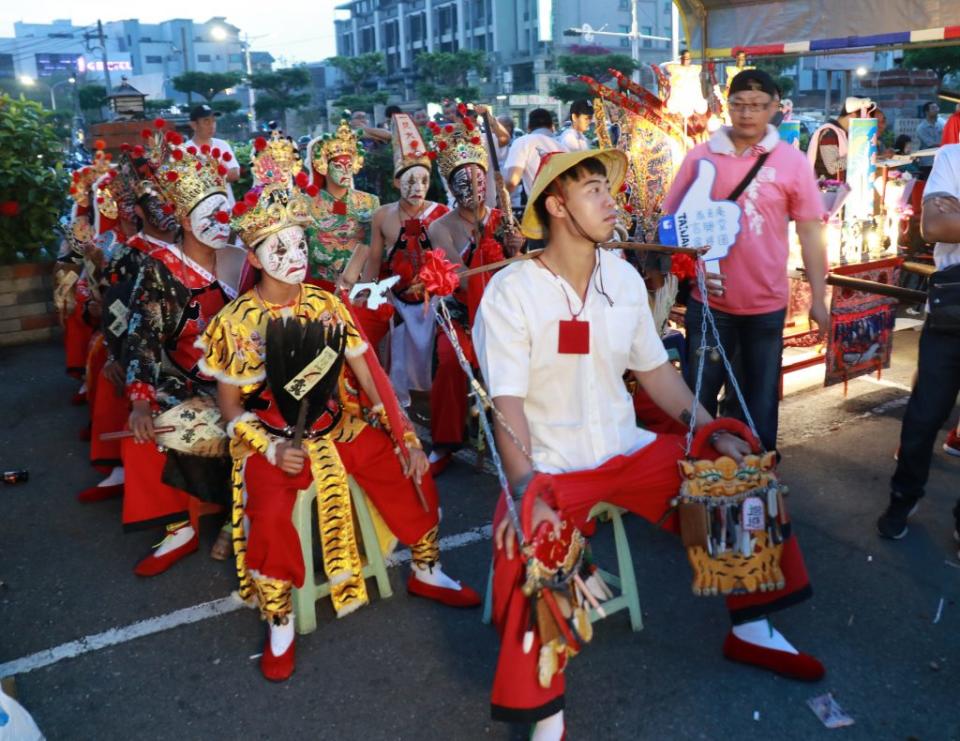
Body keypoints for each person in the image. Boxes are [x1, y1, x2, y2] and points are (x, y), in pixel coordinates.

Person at [474, 149, 824, 739]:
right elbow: (506, 405)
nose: (611, 200)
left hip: (625, 448)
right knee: (530, 542)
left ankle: (751, 628)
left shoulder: (623, 277)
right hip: (554, 465)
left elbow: (658, 375)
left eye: (609, 188)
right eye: (593, 190)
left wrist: (709, 430)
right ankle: (546, 715)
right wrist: (526, 485)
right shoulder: (511, 292)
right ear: (557, 207)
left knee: (738, 474)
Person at [197, 135, 480, 680]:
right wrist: (272, 446)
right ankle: (279, 616)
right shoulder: (233, 324)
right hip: (273, 438)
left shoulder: (327, 303)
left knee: (406, 467)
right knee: (273, 509)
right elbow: (230, 409)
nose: (295, 258)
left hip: (337, 424)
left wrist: (406, 436)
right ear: (254, 257)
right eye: (280, 250)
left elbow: (370, 374)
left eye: (299, 246)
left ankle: (428, 567)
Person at [663, 69, 829, 454]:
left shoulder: (791, 162)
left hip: (767, 305)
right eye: (739, 104)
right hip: (710, 306)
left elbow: (809, 232)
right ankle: (697, 479)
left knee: (761, 400)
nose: (747, 113)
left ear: (775, 108)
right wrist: (694, 267)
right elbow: (671, 227)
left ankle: (758, 480)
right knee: (699, 395)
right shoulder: (700, 158)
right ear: (728, 106)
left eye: (757, 105)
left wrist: (819, 298)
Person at [120, 142, 244, 577]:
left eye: (224, 209)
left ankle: (241, 513)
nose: (223, 221)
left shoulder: (246, 260)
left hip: (245, 378)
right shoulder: (158, 267)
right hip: (185, 379)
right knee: (145, 429)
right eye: (211, 213)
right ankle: (179, 527)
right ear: (186, 221)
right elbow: (142, 336)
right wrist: (140, 398)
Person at [425, 117, 523, 476]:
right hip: (461, 318)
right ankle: (445, 442)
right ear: (452, 186)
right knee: (451, 363)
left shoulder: (504, 218)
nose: (474, 186)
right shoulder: (440, 227)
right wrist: (485, 248)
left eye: (479, 178)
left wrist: (514, 250)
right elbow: (460, 279)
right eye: (464, 181)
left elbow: (518, 274)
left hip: (504, 314)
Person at [877, 143, 960, 550]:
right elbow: (936, 226)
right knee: (924, 414)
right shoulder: (953, 157)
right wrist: (949, 217)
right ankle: (902, 497)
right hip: (952, 311)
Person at [359, 113, 449, 404]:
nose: (417, 188)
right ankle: (398, 404)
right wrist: (368, 294)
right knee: (397, 355)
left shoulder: (441, 214)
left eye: (423, 180)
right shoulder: (383, 215)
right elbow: (374, 259)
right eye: (410, 181)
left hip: (433, 300)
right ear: (396, 183)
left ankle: (433, 399)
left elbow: (449, 261)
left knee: (434, 356)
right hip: (396, 297)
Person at [504, 108, 564, 202]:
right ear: (552, 127)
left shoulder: (523, 142)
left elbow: (512, 181)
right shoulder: (563, 146)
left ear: (528, 127)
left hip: (540, 208)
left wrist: (498, 199)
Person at [185, 104, 241, 206]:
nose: (212, 125)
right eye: (206, 121)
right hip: (200, 212)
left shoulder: (222, 145)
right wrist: (220, 172)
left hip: (227, 208)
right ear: (194, 125)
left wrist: (204, 177)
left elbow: (235, 174)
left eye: (213, 121)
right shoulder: (184, 150)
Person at [915, 102, 944, 177]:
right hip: (928, 163)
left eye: (937, 108)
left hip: (941, 161)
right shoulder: (921, 128)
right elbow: (932, 144)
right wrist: (948, 142)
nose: (936, 110)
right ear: (927, 112)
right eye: (933, 108)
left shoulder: (941, 123)